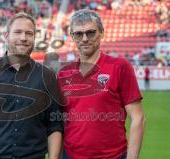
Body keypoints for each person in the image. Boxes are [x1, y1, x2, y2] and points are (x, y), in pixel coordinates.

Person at [0, 12, 63, 159]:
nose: (23, 38)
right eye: (18, 32)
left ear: (34, 38)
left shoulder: (47, 76)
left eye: (29, 33)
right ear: (6, 36)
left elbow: (54, 126)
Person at [57, 9, 146, 159]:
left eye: (90, 32)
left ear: (102, 33)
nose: (84, 38)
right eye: (78, 34)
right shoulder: (63, 74)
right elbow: (58, 124)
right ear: (72, 36)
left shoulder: (120, 66)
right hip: (71, 155)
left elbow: (138, 119)